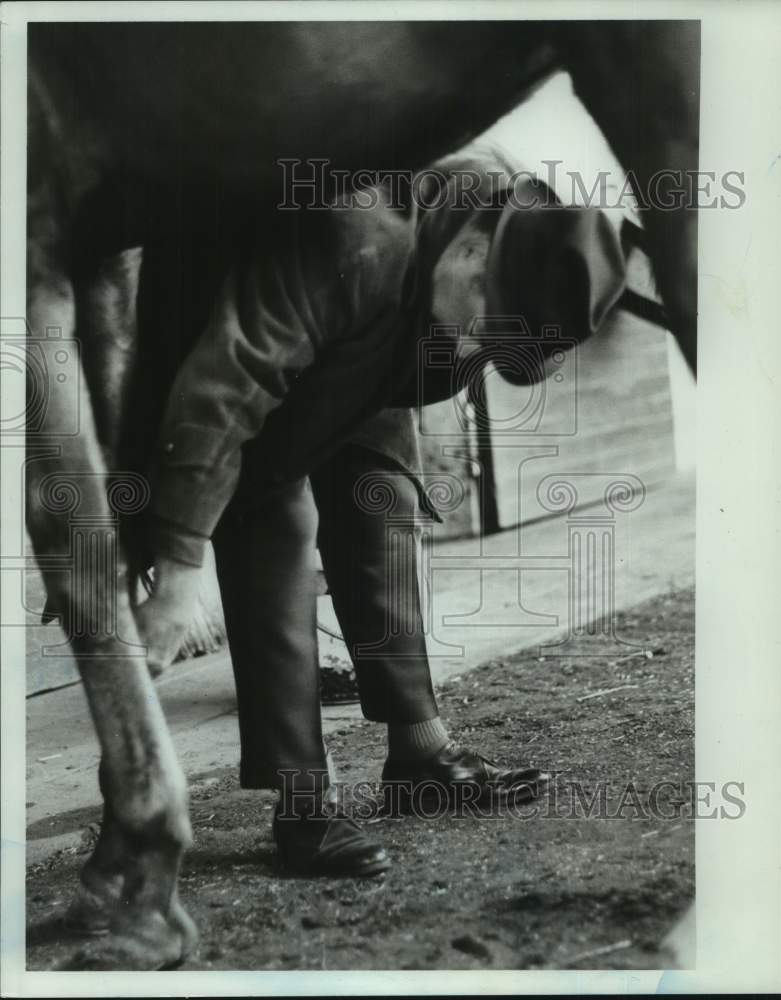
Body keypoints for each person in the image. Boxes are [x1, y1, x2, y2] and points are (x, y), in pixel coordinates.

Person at [130, 152, 628, 876]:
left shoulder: (512, 234)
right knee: (278, 524)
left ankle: (419, 754)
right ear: (472, 248)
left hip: (376, 338)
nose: (474, 346)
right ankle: (304, 808)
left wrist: (513, 338)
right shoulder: (352, 236)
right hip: (235, 340)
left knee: (385, 505)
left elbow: (469, 334)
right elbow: (224, 387)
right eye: (486, 323)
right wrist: (176, 568)